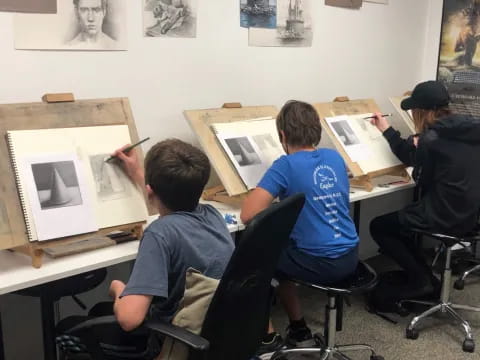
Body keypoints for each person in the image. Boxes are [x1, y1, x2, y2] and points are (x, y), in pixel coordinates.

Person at [57, 139, 234, 358]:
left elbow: (129, 319)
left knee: (69, 327)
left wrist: (117, 287)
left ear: (150, 192)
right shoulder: (212, 215)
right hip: (213, 333)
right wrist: (137, 172)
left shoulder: (160, 234)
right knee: (97, 312)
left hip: (169, 343)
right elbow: (171, 193)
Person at [240, 101, 359, 355]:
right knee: (283, 250)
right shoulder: (334, 157)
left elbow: (247, 215)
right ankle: (298, 328)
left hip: (322, 263)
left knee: (254, 256)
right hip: (350, 256)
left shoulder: (285, 165)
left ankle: (269, 337)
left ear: (282, 135)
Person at [369, 80, 480, 300]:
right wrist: (388, 131)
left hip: (445, 214)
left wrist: (420, 157)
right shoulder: (470, 129)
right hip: (470, 214)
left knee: (380, 226)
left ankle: (422, 280)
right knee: (403, 224)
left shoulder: (431, 138)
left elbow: (421, 180)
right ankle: (425, 278)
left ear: (421, 112)